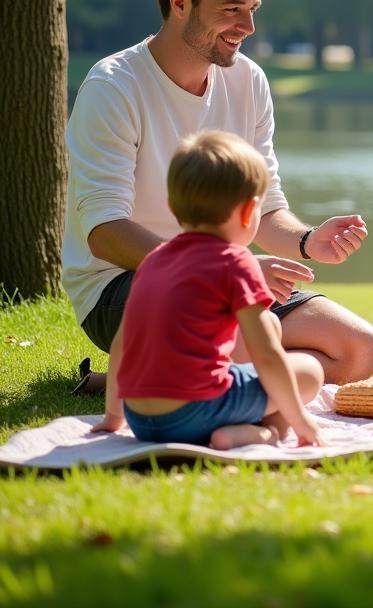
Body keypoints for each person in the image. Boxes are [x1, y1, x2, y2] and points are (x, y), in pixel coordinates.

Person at [63, 0, 373, 390]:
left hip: (225, 281)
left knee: (358, 350)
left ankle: (159, 376)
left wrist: (309, 240)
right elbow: (104, 233)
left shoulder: (248, 82)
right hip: (123, 285)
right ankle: (194, 372)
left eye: (252, 9)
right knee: (249, 339)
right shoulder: (114, 87)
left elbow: (265, 207)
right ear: (179, 2)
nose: (248, 28)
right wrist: (225, 268)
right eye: (232, 10)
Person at [93, 131, 326, 449]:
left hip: (142, 420)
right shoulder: (235, 262)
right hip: (195, 412)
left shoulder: (154, 261)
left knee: (269, 325)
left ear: (172, 207)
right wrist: (302, 420)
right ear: (248, 213)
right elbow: (267, 355)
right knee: (308, 371)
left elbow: (122, 343)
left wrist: (113, 416)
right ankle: (266, 433)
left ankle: (235, 422)